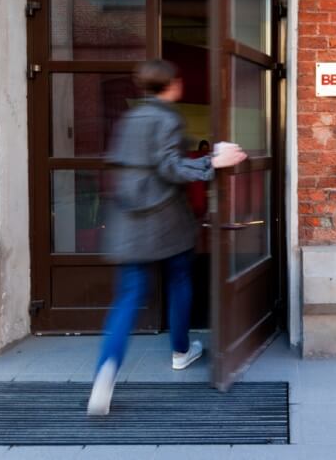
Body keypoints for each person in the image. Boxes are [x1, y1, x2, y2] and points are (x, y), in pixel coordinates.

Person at [87, 60, 247, 416]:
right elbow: (169, 166)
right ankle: (180, 351)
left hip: (128, 220)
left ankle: (105, 373)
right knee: (179, 281)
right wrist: (213, 162)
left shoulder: (130, 119)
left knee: (128, 297)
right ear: (172, 84)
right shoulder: (168, 118)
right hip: (165, 218)